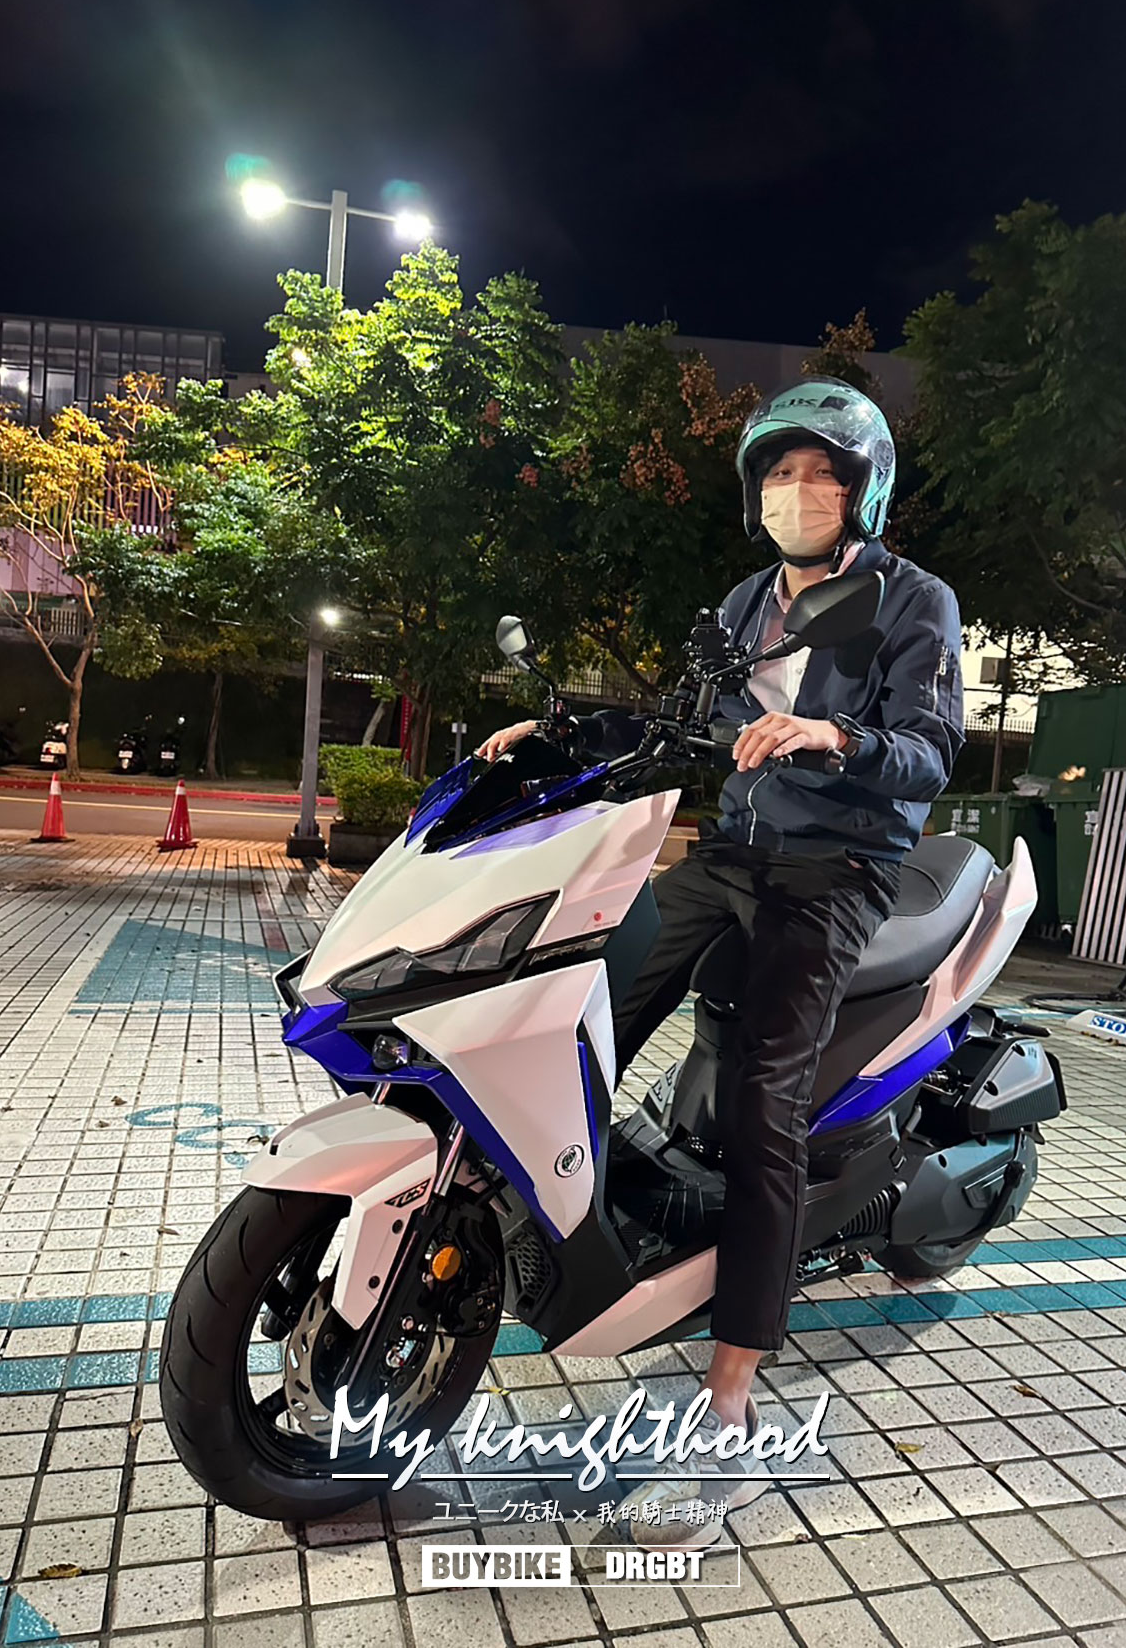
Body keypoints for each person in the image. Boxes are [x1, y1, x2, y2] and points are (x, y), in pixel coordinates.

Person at [476, 378, 964, 1541]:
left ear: (862, 490)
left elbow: (931, 746)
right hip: (734, 853)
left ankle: (732, 1403)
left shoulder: (913, 599)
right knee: (579, 1004)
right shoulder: (748, 601)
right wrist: (559, 731)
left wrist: (830, 733)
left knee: (763, 1104)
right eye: (780, 473)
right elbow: (675, 718)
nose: (799, 491)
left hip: (838, 871)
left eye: (822, 473)